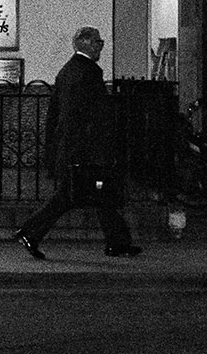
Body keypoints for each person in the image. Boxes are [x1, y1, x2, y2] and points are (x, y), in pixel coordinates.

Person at [15, 26, 141, 260]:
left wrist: (56, 145)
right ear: (83, 43)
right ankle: (30, 232)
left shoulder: (68, 71)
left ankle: (117, 242)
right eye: (97, 42)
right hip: (85, 149)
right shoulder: (87, 72)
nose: (100, 47)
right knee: (70, 196)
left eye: (101, 43)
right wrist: (99, 145)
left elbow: (57, 113)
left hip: (74, 146)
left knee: (101, 196)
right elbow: (90, 114)